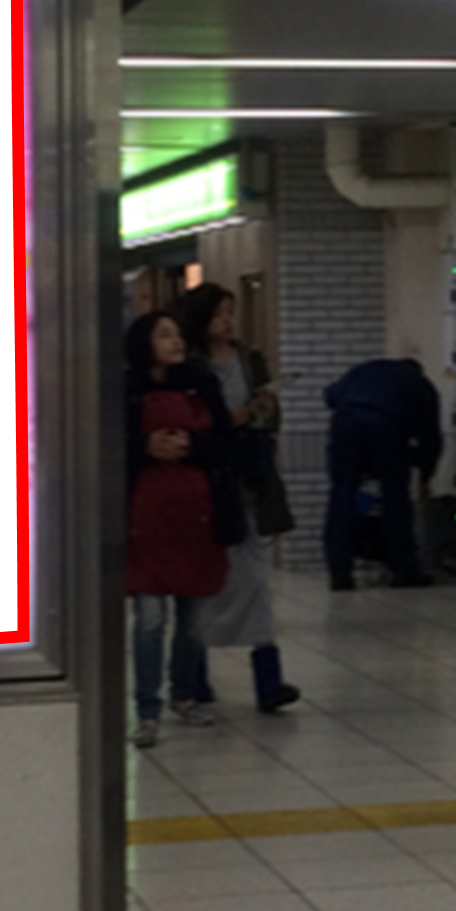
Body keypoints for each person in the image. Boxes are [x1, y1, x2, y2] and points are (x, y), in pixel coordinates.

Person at [124, 311, 244, 748]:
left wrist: (192, 446)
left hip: (198, 517)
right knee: (150, 619)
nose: (175, 342)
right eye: (164, 335)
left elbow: (227, 445)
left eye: (177, 334)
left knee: (193, 617)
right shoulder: (126, 389)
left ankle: (186, 694)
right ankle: (147, 708)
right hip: (145, 520)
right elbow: (106, 446)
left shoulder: (201, 384)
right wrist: (146, 447)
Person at [180, 283, 301, 714]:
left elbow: (272, 419)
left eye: (230, 312)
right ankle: (194, 678)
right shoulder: (190, 367)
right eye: (219, 314)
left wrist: (264, 407)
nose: (228, 322)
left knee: (255, 580)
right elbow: (196, 424)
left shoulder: (250, 359)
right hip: (209, 484)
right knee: (203, 581)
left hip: (251, 480)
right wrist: (232, 417)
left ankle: (269, 679)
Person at [322, 357, 443, 589]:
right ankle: (405, 571)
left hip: (345, 425)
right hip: (386, 429)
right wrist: (425, 476)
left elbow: (330, 395)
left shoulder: (365, 369)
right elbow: (431, 439)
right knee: (395, 500)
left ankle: (339, 575)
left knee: (342, 499)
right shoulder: (421, 386)